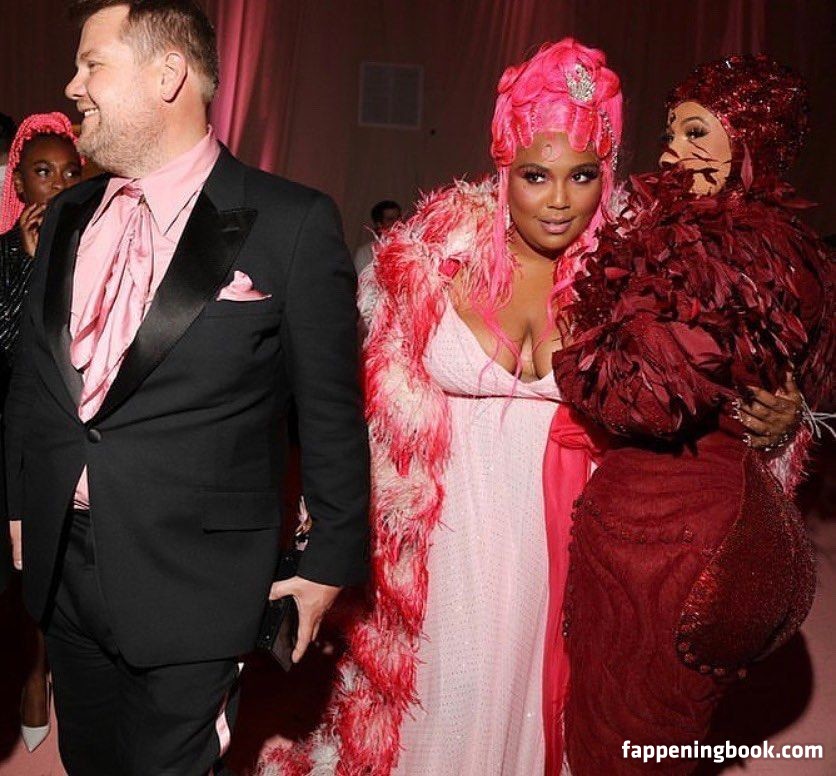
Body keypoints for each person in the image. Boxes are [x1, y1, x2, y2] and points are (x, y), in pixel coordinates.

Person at [3, 1, 369, 773]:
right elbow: (34, 381)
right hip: (64, 566)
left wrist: (327, 560)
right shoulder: (67, 213)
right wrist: (16, 501)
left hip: (195, 584)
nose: (73, 86)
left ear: (167, 73)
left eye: (92, 64)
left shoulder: (291, 222)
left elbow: (332, 413)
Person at [552, 55, 834, 774]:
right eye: (671, 134)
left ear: (751, 139)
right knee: (662, 740)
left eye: (698, 132)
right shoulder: (791, 249)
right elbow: (809, 379)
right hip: (718, 530)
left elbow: (645, 398)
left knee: (626, 745)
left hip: (665, 544)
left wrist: (572, 355)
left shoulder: (723, 249)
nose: (674, 151)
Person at [0, 111, 83, 754]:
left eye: (68, 173)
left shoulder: (97, 250)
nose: (56, 186)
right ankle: (31, 670)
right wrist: (31, 264)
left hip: (66, 436)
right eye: (42, 172)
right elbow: (11, 351)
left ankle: (42, 671)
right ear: (19, 183)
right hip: (9, 435)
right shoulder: (4, 254)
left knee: (58, 565)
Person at [352, 199, 401, 274]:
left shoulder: (411, 250)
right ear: (379, 224)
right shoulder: (364, 253)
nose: (397, 223)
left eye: (399, 218)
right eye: (390, 219)